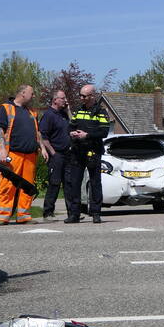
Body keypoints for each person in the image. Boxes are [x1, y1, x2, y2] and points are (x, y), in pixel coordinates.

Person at [0, 84, 45, 225]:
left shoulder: (32, 112)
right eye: (31, 93)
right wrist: (3, 150)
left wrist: (43, 148)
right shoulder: (6, 108)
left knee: (27, 186)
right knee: (7, 185)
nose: (33, 96)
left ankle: (23, 215)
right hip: (13, 155)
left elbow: (37, 132)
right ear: (23, 93)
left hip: (30, 156)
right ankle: (2, 216)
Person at [65, 84, 109, 224]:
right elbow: (71, 126)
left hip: (93, 151)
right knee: (75, 183)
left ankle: (96, 213)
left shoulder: (101, 112)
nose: (81, 98)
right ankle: (74, 214)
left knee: (95, 182)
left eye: (84, 96)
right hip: (78, 151)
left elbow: (104, 132)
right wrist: (71, 132)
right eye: (80, 95)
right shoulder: (78, 111)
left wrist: (87, 135)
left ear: (92, 96)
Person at [37, 89, 71, 222]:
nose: (65, 101)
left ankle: (72, 213)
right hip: (56, 154)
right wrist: (52, 152)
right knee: (54, 184)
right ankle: (48, 212)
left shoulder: (63, 114)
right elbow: (43, 136)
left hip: (68, 154)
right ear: (55, 100)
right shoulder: (49, 115)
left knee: (69, 184)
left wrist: (68, 110)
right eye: (63, 98)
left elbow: (74, 124)